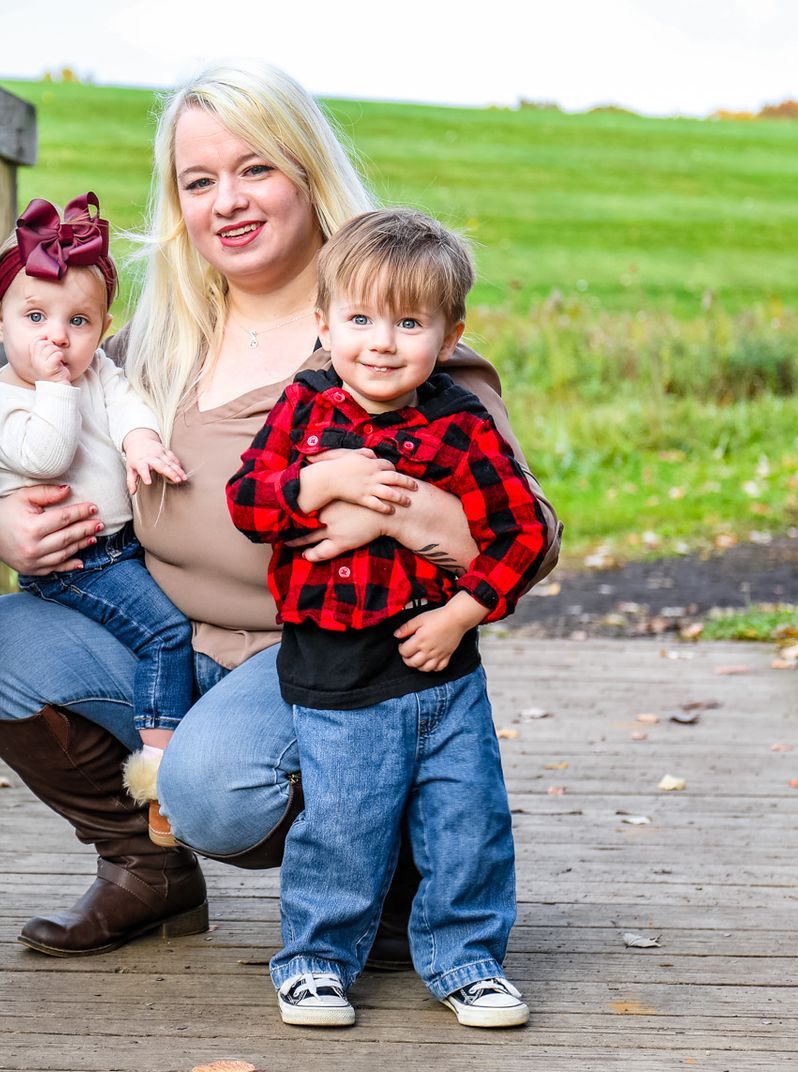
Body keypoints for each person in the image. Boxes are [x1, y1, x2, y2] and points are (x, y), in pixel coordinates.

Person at [0, 59, 561, 965]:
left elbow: (529, 537)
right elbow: (34, 445)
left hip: (326, 658)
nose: (227, 201)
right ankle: (145, 874)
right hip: (170, 641)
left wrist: (396, 509)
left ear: (309, 176)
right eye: (200, 181)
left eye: (255, 169)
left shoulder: (380, 335)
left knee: (214, 792)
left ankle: (385, 858)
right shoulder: (150, 343)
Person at [228, 208, 549, 1028]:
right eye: (361, 319)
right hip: (338, 672)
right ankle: (316, 960)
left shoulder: (461, 422)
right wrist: (321, 481)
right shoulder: (305, 412)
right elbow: (248, 501)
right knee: (344, 824)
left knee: (467, 823)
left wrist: (465, 611)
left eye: (409, 323)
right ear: (324, 324)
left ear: (448, 337)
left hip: (446, 669)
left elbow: (521, 533)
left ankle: (466, 958)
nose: (381, 342)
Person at [0, 194, 195, 844]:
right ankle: (160, 778)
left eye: (79, 321)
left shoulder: (95, 368)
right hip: (75, 561)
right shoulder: (4, 402)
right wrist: (57, 387)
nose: (58, 338)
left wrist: (141, 442)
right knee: (163, 635)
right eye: (35, 317)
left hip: (120, 546)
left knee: (150, 631)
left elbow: (125, 401)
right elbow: (46, 456)